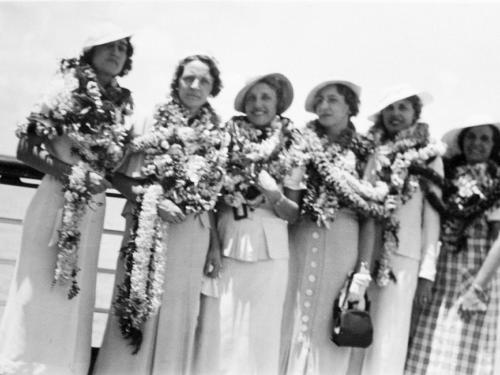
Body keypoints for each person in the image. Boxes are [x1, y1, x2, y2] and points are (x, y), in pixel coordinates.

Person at [0, 24, 134, 375]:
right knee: (38, 288)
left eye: (123, 47)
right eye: (109, 45)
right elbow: (25, 148)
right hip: (56, 199)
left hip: (92, 207)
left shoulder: (122, 104)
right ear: (90, 51)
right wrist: (71, 174)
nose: (116, 52)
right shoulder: (64, 88)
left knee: (75, 294)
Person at [93, 54, 226, 375]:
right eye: (188, 78)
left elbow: (215, 198)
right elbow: (114, 172)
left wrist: (215, 245)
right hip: (145, 226)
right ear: (176, 81)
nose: (195, 86)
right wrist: (152, 200)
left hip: (191, 233)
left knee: (178, 315)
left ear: (213, 88)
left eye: (204, 81)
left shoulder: (219, 133)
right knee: (134, 305)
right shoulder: (149, 119)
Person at [279, 80, 383, 375]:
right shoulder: (302, 142)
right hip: (300, 238)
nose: (324, 106)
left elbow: (370, 214)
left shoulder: (365, 151)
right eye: (320, 100)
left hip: (343, 242)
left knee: (328, 318)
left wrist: (363, 271)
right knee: (292, 315)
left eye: (333, 100)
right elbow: (291, 203)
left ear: (350, 107)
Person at [201, 73, 302, 375]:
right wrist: (212, 247)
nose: (259, 105)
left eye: (266, 98)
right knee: (219, 330)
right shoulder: (225, 139)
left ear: (278, 104)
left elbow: (294, 214)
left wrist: (274, 195)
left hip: (270, 256)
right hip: (228, 243)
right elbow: (209, 201)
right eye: (252, 98)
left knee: (260, 337)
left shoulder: (292, 145)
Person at [350, 86, 445, 375]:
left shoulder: (430, 156)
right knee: (357, 329)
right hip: (370, 250)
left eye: (403, 107)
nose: (395, 114)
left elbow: (433, 220)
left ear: (415, 113)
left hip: (404, 258)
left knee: (389, 336)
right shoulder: (373, 152)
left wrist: (426, 273)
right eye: (390, 108)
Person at [405, 116, 500, 375]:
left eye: (484, 138)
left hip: (478, 275)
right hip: (446, 273)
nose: (476, 144)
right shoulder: (451, 178)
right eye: (471, 136)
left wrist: (478, 288)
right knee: (435, 344)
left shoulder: (496, 182)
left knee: (466, 351)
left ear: (494, 145)